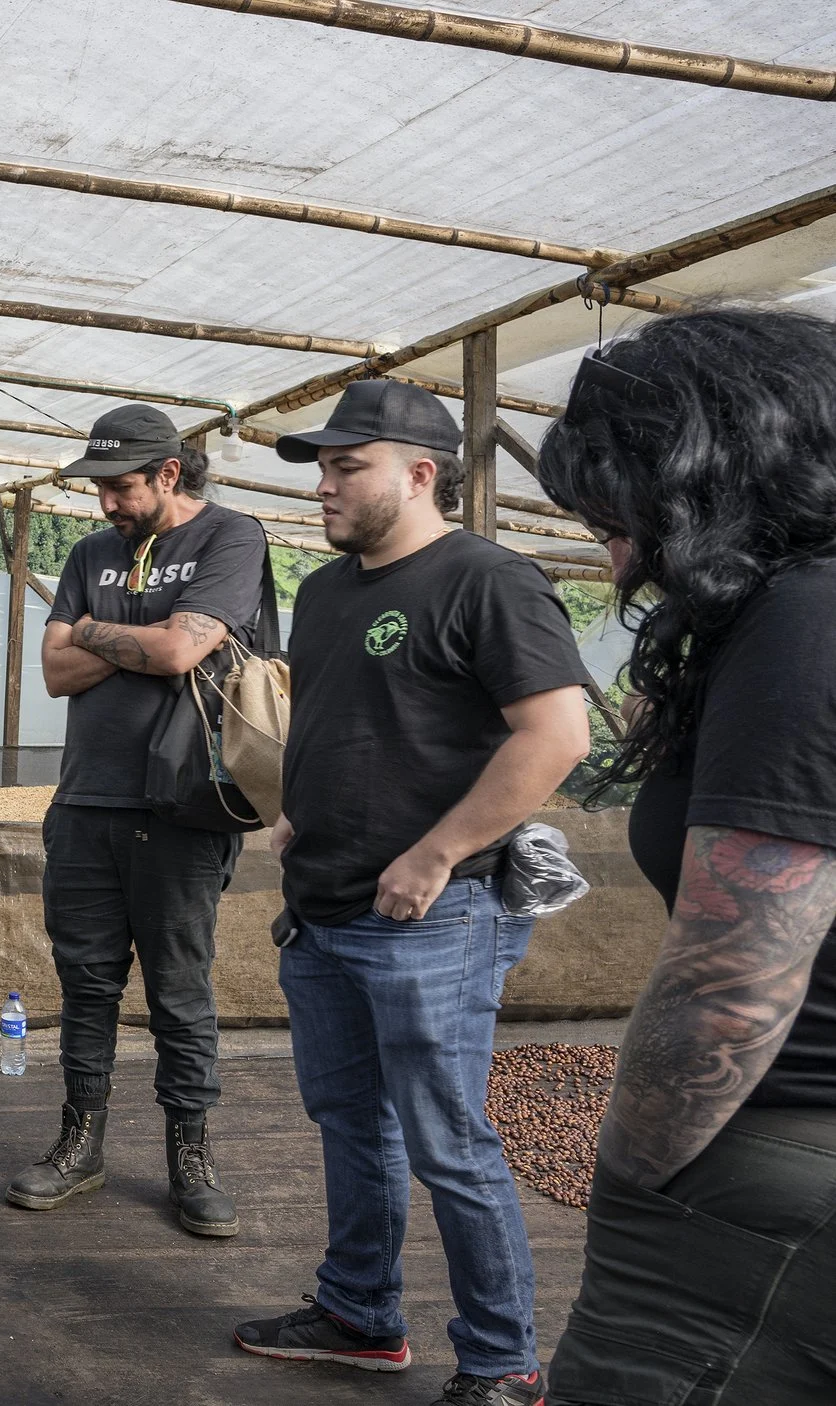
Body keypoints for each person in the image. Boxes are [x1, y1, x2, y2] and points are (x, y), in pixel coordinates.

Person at [232, 380, 591, 1406]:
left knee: (449, 1143)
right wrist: (297, 809)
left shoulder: (489, 580)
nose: (325, 486)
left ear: (420, 473)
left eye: (348, 467)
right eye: (322, 468)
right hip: (324, 908)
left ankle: (502, 1361)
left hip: (434, 915)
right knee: (351, 1120)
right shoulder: (326, 592)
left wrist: (437, 853)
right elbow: (350, 721)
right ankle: (359, 1312)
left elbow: (556, 735)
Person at [532, 307, 836, 1405]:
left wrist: (630, 1172)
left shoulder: (805, 618)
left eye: (621, 513)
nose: (614, 552)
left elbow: (729, 985)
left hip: (774, 1159)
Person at [8, 403, 271, 1238]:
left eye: (120, 487)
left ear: (168, 472)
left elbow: (179, 652)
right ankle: (79, 1142)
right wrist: (138, 638)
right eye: (98, 490)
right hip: (86, 799)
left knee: (179, 989)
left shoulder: (232, 537)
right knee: (86, 982)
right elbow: (55, 672)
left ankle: (190, 1154)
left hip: (185, 803)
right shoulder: (92, 553)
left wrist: (93, 632)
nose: (107, 505)